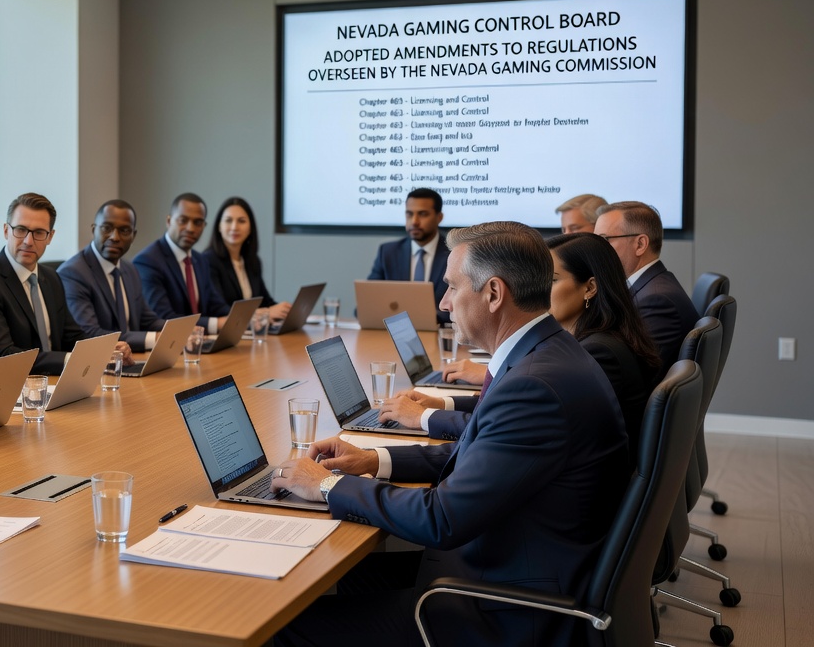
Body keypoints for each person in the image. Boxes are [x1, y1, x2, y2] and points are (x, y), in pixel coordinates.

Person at [272, 221, 629, 647]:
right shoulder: (545, 353)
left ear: (494, 293)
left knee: (283, 623)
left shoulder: (535, 386)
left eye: (452, 287)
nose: (443, 303)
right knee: (348, 574)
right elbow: (477, 453)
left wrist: (328, 484)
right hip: (508, 560)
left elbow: (442, 519)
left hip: (506, 610)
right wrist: (373, 461)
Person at [384, 232, 661, 458]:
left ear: (589, 288)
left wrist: (424, 416)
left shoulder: (595, 353)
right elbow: (502, 417)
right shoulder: (579, 343)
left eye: (550, 280)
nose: (537, 289)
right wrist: (441, 403)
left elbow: (512, 421)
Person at [0, 192, 129, 375]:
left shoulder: (51, 278)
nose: (28, 241)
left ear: (50, 237)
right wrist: (70, 359)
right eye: (20, 229)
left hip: (56, 385)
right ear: (6, 231)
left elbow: (72, 336)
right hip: (10, 392)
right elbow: (2, 356)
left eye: (38, 233)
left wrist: (105, 349)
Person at [594, 200, 699, 372]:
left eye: (605, 240)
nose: (598, 250)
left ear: (640, 244)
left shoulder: (657, 301)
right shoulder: (650, 287)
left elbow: (636, 374)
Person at [58, 199, 165, 352]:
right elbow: (89, 333)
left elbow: (148, 320)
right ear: (94, 229)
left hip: (132, 359)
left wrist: (178, 333)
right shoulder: (73, 273)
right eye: (107, 228)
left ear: (133, 236)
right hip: (100, 365)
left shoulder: (130, 269)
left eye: (124, 230)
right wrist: (151, 339)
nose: (115, 237)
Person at [133, 192, 231, 332]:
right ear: (168, 221)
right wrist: (215, 324)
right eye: (183, 220)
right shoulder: (147, 261)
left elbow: (216, 305)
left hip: (198, 344)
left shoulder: (200, 260)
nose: (190, 228)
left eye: (197, 223)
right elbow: (163, 317)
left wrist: (236, 318)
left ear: (204, 226)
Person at [366, 187, 450, 324]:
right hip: (394, 332)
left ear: (439, 217)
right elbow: (367, 304)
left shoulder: (453, 254)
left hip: (439, 334)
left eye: (422, 214)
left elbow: (459, 308)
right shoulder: (388, 252)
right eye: (409, 214)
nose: (414, 221)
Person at [207, 196, 291, 323]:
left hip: (252, 332)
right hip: (225, 334)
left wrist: (284, 310)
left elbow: (265, 301)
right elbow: (220, 309)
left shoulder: (252, 261)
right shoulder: (208, 261)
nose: (234, 227)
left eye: (241, 221)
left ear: (250, 228)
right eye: (228, 220)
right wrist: (266, 313)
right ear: (219, 226)